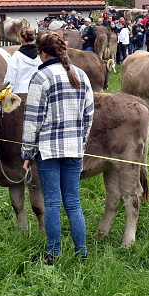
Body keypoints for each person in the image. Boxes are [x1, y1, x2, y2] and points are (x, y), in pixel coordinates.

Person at [21, 32, 94, 264]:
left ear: (42, 53)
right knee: (73, 201)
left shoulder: (41, 77)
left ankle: (53, 253)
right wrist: (81, 148)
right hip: (74, 148)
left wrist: (27, 153)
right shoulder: (80, 75)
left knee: (52, 202)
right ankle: (81, 252)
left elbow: (33, 119)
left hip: (48, 150)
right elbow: (88, 116)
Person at [5, 27, 40, 92]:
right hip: (37, 92)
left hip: (20, 94)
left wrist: (6, 92)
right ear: (34, 38)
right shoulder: (41, 55)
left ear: (21, 39)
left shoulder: (16, 57)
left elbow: (10, 78)